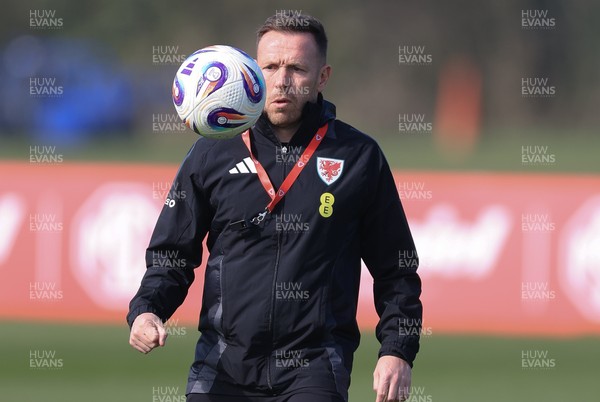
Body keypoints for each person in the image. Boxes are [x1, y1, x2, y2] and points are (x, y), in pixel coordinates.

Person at [128, 13, 422, 402]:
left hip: (314, 367)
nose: (282, 80)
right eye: (270, 66)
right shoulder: (212, 150)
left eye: (297, 68)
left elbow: (396, 267)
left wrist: (397, 350)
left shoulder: (358, 156)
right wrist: (148, 309)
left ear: (323, 77)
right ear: (252, 70)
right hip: (222, 364)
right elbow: (172, 254)